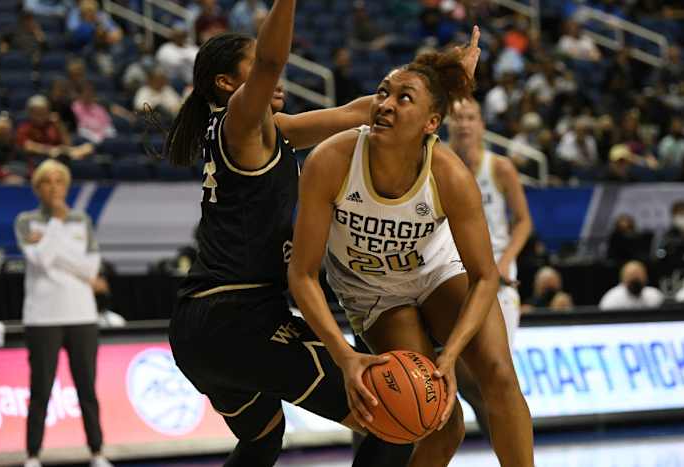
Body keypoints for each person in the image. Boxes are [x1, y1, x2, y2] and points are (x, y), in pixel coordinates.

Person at [164, 1, 439, 464]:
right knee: (391, 415)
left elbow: (360, 111)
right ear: (228, 84)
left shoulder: (273, 130)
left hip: (197, 326)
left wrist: (433, 77)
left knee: (262, 437)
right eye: (255, 70)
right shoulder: (240, 123)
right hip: (238, 316)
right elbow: (272, 61)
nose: (276, 78)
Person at [288, 28, 534, 467]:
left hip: (436, 272)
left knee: (497, 376)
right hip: (372, 292)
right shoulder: (331, 161)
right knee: (440, 422)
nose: (385, 103)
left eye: (404, 99)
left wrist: (452, 356)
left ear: (431, 123)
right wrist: (344, 356)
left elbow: (484, 277)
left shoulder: (450, 175)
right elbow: (302, 275)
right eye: (382, 93)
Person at [14, 160, 112, 467]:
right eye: (47, 181)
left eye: (59, 181)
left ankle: (97, 452)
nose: (54, 187)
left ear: (67, 186)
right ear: (38, 187)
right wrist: (56, 226)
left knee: (87, 388)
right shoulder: (26, 221)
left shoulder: (82, 220)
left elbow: (90, 267)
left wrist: (53, 245)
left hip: (82, 316)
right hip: (42, 317)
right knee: (40, 389)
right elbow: (41, 262)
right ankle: (32, 455)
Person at [447, 97, 532, 437]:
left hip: (496, 276)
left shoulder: (499, 168)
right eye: (458, 117)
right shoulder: (438, 163)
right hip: (451, 274)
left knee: (496, 374)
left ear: (482, 124)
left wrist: (505, 262)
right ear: (446, 123)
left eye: (470, 117)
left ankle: (510, 447)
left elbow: (523, 221)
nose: (464, 124)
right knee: (466, 378)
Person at [599, 260, 664, 310]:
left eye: (638, 276)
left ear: (646, 277)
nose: (635, 280)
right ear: (623, 279)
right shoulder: (611, 299)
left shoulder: (655, 296)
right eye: (631, 276)